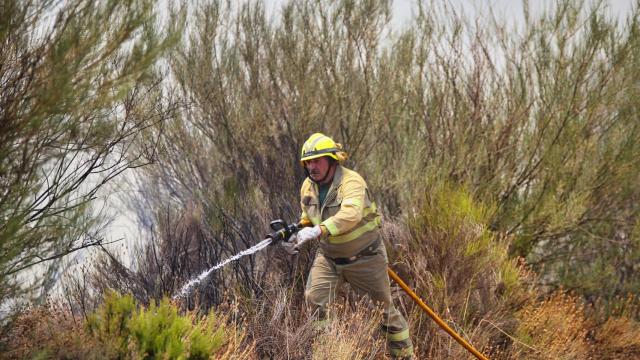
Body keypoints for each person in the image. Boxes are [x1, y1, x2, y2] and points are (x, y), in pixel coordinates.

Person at [282, 132, 414, 359]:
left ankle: (404, 356)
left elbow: (350, 214)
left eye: (317, 160)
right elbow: (308, 215)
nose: (312, 166)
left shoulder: (351, 182)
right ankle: (329, 352)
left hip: (365, 258)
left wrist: (318, 230)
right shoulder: (308, 186)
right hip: (329, 258)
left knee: (383, 313)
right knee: (315, 301)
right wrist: (295, 230)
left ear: (332, 160)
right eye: (308, 162)